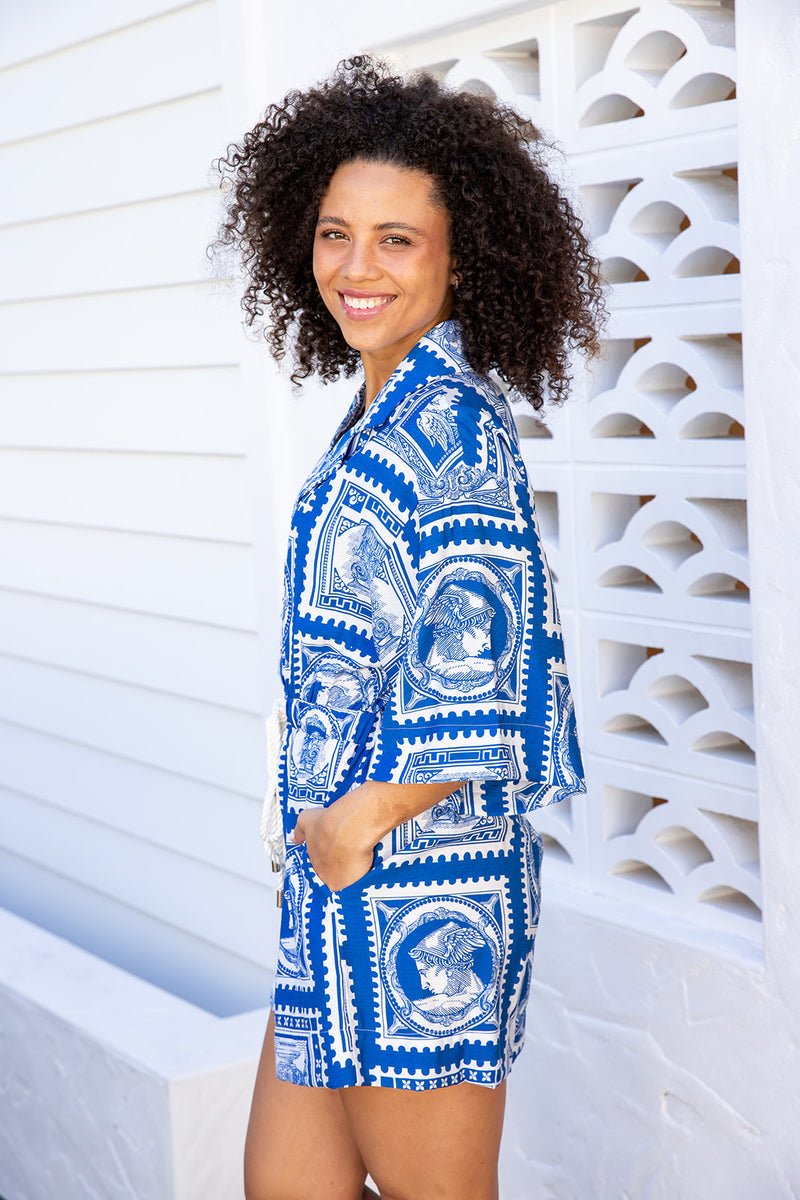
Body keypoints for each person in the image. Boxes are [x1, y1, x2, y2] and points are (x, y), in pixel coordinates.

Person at [214, 55, 603, 1200]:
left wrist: (358, 821)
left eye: (395, 239)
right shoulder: (382, 409)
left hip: (420, 887)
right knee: (286, 1185)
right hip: (335, 879)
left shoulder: (452, 434)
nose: (355, 268)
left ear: (457, 254)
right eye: (335, 234)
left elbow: (482, 673)